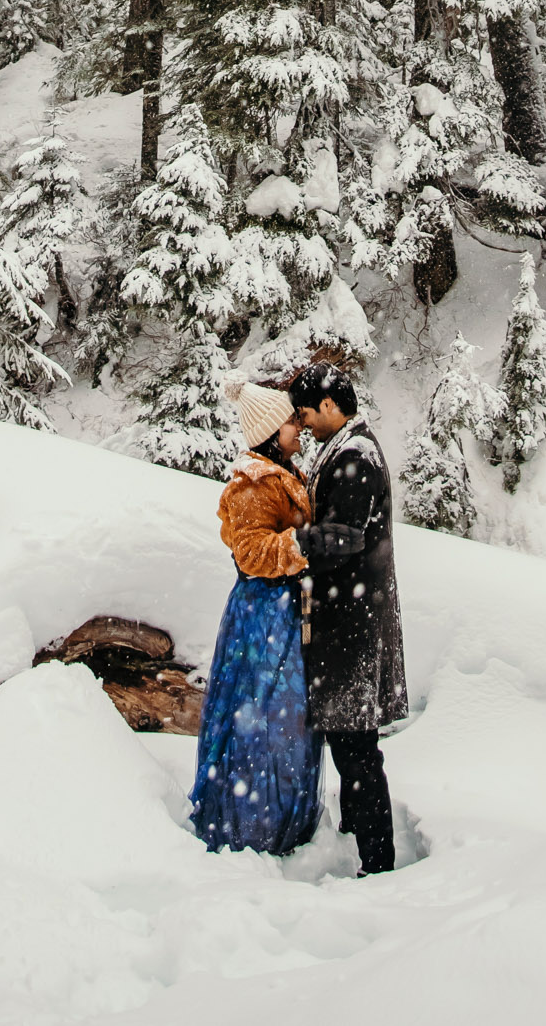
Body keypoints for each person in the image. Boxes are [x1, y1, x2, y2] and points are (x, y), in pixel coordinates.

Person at [188, 379, 322, 856]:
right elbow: (250, 553)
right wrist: (302, 545)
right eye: (292, 423)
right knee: (264, 717)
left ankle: (278, 818)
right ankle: (251, 827)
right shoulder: (254, 484)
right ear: (270, 432)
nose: (299, 428)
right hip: (263, 616)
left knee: (283, 717)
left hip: (283, 611)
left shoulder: (280, 472)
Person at [288, 361, 407, 877]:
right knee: (349, 741)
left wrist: (290, 544)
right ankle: (358, 834)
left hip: (352, 624)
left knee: (357, 747)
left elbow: (343, 539)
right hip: (349, 616)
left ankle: (378, 861)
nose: (305, 422)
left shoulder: (356, 456)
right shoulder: (345, 449)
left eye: (308, 411)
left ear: (332, 406)